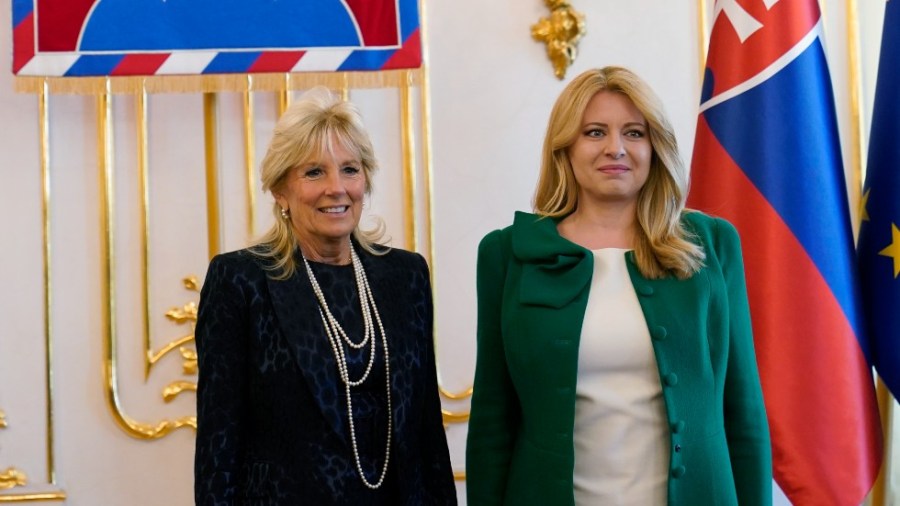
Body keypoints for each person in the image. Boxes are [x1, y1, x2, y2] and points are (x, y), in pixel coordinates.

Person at [465, 67, 772, 506]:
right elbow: (493, 420)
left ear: (654, 147)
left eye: (634, 132)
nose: (616, 148)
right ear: (565, 147)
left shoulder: (711, 244)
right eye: (594, 132)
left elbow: (743, 413)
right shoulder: (506, 254)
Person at [194, 87, 457, 505]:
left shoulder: (405, 276)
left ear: (365, 180)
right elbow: (219, 439)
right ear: (281, 189)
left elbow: (426, 427)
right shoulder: (240, 280)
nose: (337, 188)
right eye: (314, 172)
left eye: (350, 169)